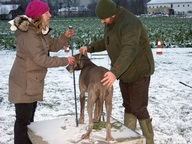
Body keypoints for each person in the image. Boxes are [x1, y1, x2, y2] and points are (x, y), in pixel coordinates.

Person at [79, 0, 155, 144]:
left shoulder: (130, 23)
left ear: (112, 14)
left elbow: (129, 49)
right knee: (128, 106)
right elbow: (107, 41)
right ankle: (130, 139)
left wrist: (114, 72)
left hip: (138, 71)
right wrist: (90, 47)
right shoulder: (111, 23)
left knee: (139, 108)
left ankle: (150, 140)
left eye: (103, 18)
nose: (102, 22)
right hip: (123, 72)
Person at [8, 0, 75, 143]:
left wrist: (65, 37)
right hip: (23, 83)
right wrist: (65, 61)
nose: (50, 15)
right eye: (46, 13)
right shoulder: (29, 35)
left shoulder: (39, 31)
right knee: (23, 122)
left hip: (31, 81)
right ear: (38, 16)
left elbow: (53, 46)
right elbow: (42, 60)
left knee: (29, 121)